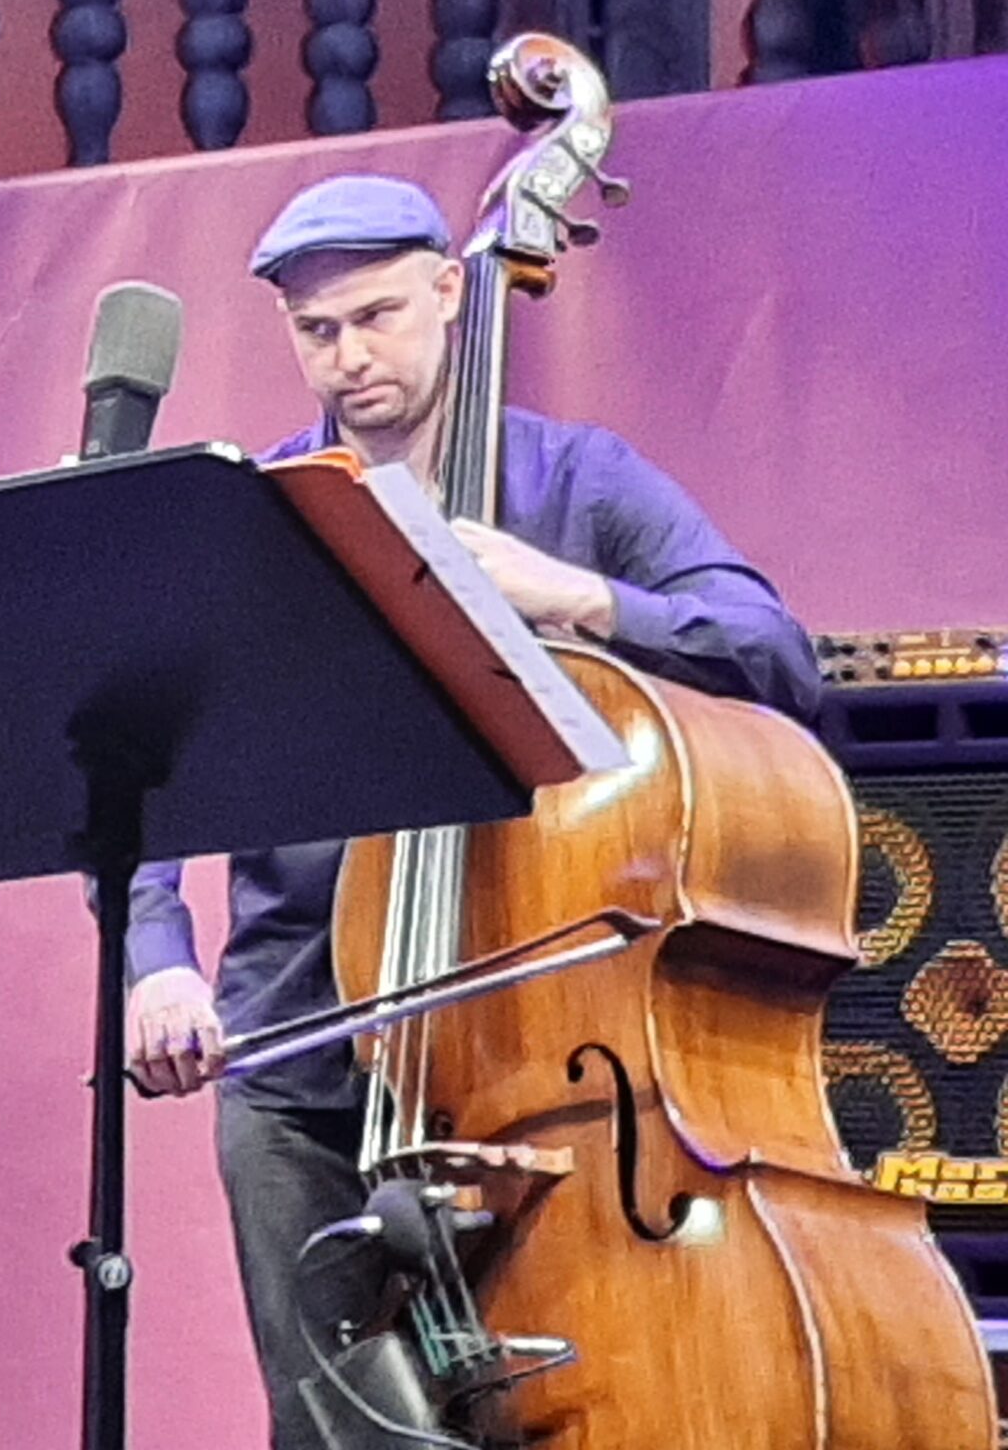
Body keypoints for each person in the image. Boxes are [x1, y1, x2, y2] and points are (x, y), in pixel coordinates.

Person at [123, 172, 819, 1450]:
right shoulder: (263, 521)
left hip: (536, 1053)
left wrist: (576, 596)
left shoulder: (575, 483)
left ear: (452, 291)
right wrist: (158, 959)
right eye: (316, 331)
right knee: (337, 1434)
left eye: (377, 317)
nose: (349, 358)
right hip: (301, 1052)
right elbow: (144, 762)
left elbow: (774, 655)